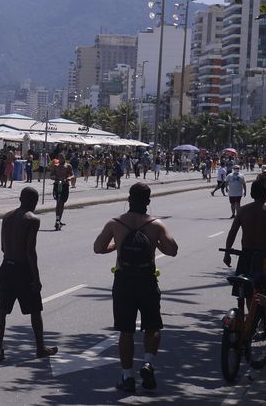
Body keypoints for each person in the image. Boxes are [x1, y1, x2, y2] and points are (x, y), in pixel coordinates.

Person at [93, 183, 178, 393]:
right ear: (148, 202)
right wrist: (154, 242)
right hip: (147, 280)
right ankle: (148, 363)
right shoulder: (156, 224)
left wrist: (117, 245)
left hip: (124, 281)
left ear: (129, 199)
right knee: (153, 326)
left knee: (126, 331)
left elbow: (98, 248)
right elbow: (172, 250)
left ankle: (127, 376)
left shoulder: (115, 223)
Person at [0, 187, 58, 362]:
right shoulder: (33, 219)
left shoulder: (6, 217)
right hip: (22, 269)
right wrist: (36, 278)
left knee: (2, 309)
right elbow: (30, 251)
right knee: (35, 310)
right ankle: (40, 348)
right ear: (34, 202)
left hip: (6, 266)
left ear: (20, 198)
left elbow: (2, 246)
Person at [223, 179, 266, 310]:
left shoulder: (243, 210)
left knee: (247, 292)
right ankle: (260, 322)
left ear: (252, 194)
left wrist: (227, 253)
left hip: (247, 256)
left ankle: (251, 320)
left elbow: (232, 232)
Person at [51, 155, 74, 230]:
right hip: (57, 185)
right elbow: (51, 175)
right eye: (59, 158)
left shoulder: (68, 166)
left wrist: (68, 178)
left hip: (64, 185)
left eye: (62, 157)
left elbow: (72, 175)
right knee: (58, 202)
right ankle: (57, 220)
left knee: (62, 203)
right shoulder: (55, 166)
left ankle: (59, 220)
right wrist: (54, 177)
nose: (61, 159)